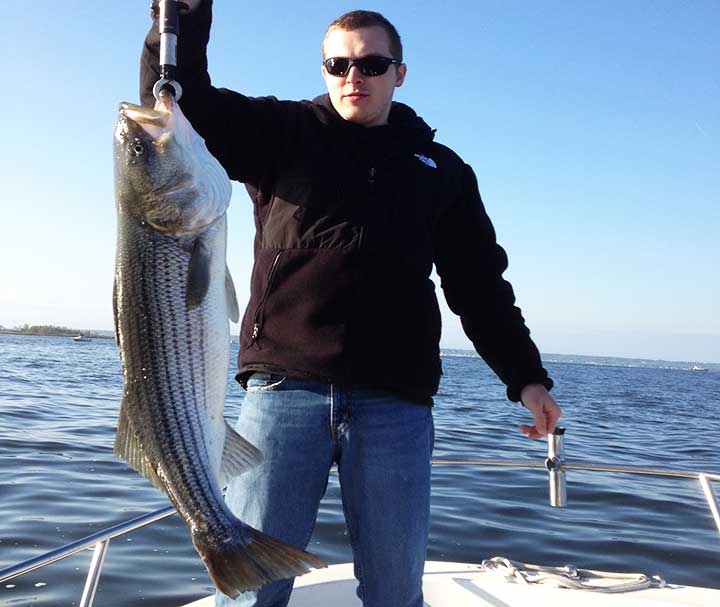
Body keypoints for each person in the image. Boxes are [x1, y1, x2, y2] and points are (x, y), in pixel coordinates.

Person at [141, 2, 562, 606]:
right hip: (282, 395)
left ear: (400, 73)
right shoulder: (281, 135)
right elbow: (181, 102)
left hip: (395, 406)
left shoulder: (442, 170)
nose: (352, 76)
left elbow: (479, 286)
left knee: (394, 592)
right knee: (252, 592)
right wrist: (184, 14)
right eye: (337, 64)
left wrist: (525, 377)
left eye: (370, 63)